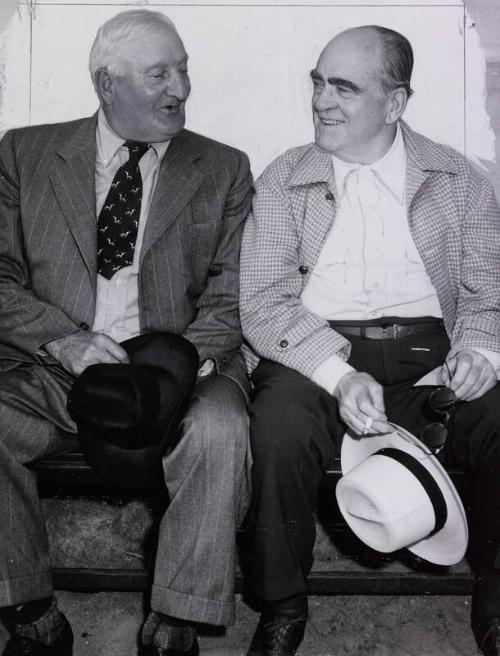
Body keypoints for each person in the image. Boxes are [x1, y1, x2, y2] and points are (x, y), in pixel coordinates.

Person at [240, 25, 500, 656]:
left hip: (430, 355)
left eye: (344, 88)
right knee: (277, 429)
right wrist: (339, 373)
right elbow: (264, 304)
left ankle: (496, 595)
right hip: (314, 355)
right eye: (318, 83)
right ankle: (282, 603)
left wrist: (480, 353)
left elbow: (486, 290)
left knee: (499, 421)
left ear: (395, 102)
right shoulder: (284, 179)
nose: (322, 100)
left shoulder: (457, 180)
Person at [0, 9, 253, 656]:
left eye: (184, 69)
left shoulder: (223, 168)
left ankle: (175, 619)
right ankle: (26, 607)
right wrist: (62, 339)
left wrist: (180, 365)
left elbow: (232, 292)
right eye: (159, 74)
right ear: (106, 83)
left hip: (180, 367)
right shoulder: (24, 154)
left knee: (222, 429)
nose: (181, 89)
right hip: (58, 369)